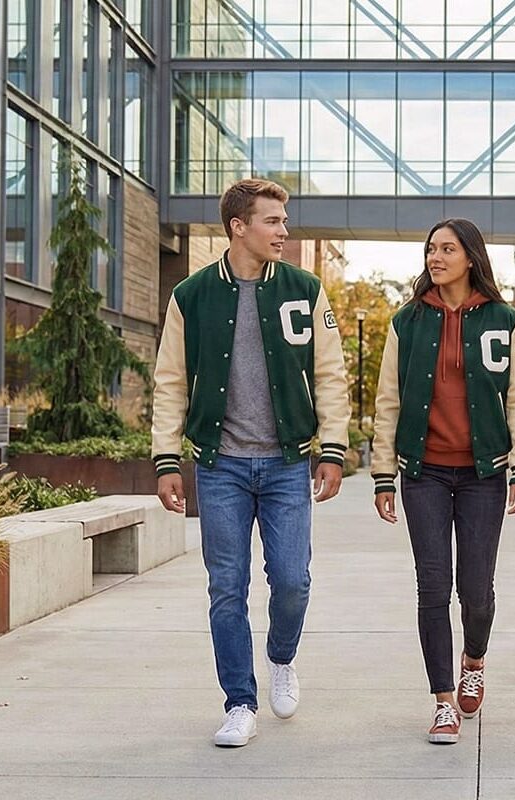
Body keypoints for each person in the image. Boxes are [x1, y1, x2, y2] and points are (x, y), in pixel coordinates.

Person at [150, 178, 350, 747]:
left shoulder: (306, 289)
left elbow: (331, 375)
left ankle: (281, 658)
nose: (283, 231)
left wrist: (331, 449)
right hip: (221, 467)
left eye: (284, 221)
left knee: (292, 580)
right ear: (239, 227)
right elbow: (169, 383)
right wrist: (167, 459)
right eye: (272, 221)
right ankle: (239, 700)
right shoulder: (190, 295)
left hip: (287, 464)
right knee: (226, 588)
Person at [371, 218, 515, 745]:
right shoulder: (407, 322)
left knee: (476, 592)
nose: (435, 257)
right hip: (422, 471)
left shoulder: (506, 321)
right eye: (430, 249)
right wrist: (382, 474)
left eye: (447, 249)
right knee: (432, 586)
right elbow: (387, 402)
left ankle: (475, 658)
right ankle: (443, 700)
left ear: (471, 257)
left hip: (483, 473)